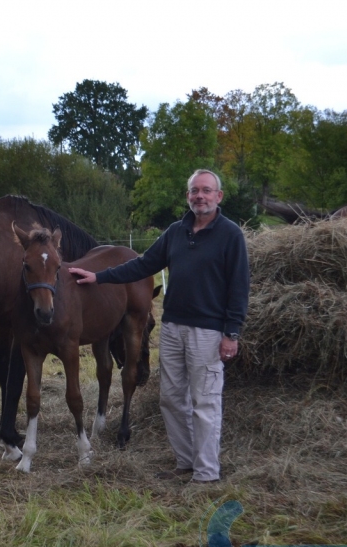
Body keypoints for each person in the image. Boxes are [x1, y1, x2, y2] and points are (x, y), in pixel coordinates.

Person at [67, 170, 249, 484]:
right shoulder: (176, 232)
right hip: (174, 328)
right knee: (171, 399)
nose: (200, 196)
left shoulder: (230, 235)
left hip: (208, 332)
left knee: (204, 401)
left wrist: (231, 332)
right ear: (188, 196)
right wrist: (99, 277)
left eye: (206, 191)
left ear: (218, 196)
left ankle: (206, 474)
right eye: (194, 191)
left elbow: (239, 287)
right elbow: (143, 264)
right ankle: (186, 462)